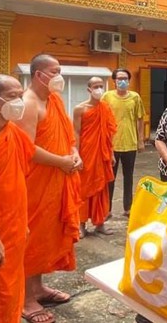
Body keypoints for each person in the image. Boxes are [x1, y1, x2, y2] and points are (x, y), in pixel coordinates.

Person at [0, 74, 74, 323]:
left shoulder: (11, 130)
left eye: (20, 96)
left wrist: (64, 161)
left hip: (14, 222)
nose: (19, 102)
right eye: (12, 97)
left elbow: (31, 151)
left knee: (12, 288)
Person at [15, 54, 82, 319]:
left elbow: (67, 135)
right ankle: (25, 298)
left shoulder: (53, 100)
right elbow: (27, 148)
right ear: (38, 74)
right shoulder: (28, 103)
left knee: (47, 237)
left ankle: (38, 287)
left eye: (59, 70)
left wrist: (74, 153)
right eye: (54, 71)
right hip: (37, 182)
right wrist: (61, 162)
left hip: (58, 178)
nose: (59, 77)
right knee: (32, 239)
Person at [73, 76, 117, 238]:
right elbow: (76, 132)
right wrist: (76, 153)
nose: (99, 89)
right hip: (86, 152)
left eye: (101, 86)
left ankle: (100, 223)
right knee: (84, 189)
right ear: (89, 89)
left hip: (102, 154)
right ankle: (81, 224)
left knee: (101, 189)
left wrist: (111, 153)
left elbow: (108, 133)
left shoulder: (105, 108)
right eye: (95, 86)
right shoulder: (80, 109)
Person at [101, 68, 146, 217]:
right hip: (112, 144)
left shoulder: (135, 97)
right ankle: (107, 209)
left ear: (129, 80)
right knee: (110, 178)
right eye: (119, 78)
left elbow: (140, 119)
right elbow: (101, 118)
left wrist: (140, 140)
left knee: (129, 176)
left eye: (125, 78)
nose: (122, 81)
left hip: (130, 143)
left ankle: (128, 208)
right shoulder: (106, 97)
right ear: (114, 81)